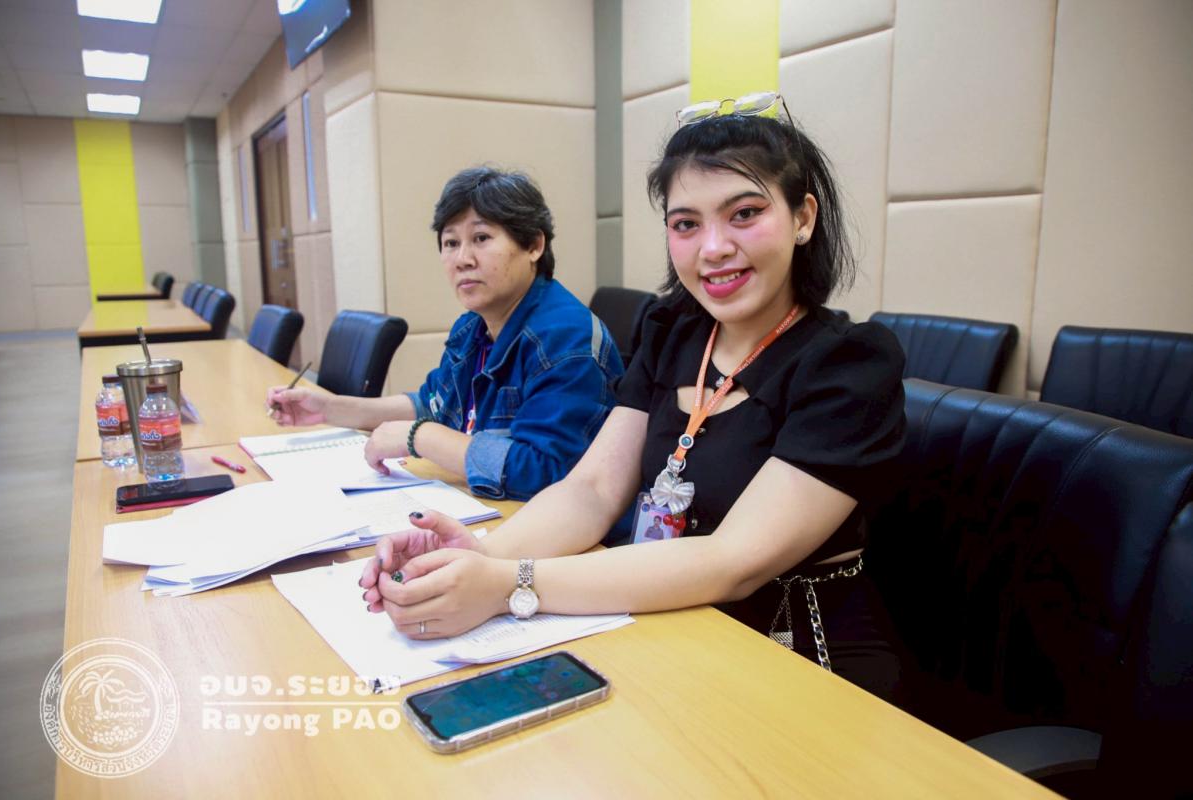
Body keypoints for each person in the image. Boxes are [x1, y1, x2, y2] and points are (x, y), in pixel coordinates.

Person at [359, 94, 908, 701]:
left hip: (792, 654)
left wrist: (508, 583)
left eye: (745, 213)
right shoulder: (673, 330)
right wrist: (477, 558)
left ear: (803, 218)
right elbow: (592, 490)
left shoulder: (850, 365)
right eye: (686, 224)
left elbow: (732, 561)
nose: (713, 247)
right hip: (658, 621)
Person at [267, 167, 623, 501]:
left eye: (481, 238)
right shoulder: (473, 326)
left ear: (533, 245)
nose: (462, 259)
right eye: (451, 243)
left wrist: (420, 436)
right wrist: (329, 408)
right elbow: (434, 404)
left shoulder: (566, 340)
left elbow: (547, 473)